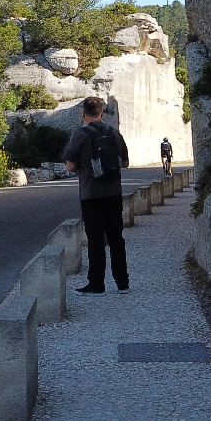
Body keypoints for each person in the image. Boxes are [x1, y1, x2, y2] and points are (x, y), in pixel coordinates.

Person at [63, 96, 131, 295]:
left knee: (96, 240)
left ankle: (97, 285)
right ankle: (123, 283)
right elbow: (125, 163)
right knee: (116, 238)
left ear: (83, 114)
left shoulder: (80, 134)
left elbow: (69, 166)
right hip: (114, 192)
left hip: (90, 193)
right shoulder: (114, 133)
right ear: (102, 113)